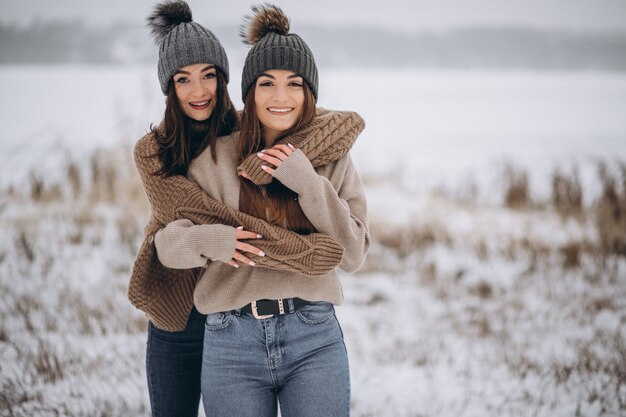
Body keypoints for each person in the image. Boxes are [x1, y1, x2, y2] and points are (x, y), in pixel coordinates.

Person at [130, 1, 365, 416]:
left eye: (295, 84)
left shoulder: (331, 157)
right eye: (265, 84)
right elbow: (166, 243)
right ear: (246, 94)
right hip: (218, 328)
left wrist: (307, 180)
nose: (281, 97)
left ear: (309, 92)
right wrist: (210, 240)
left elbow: (354, 253)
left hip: (312, 329)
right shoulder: (207, 155)